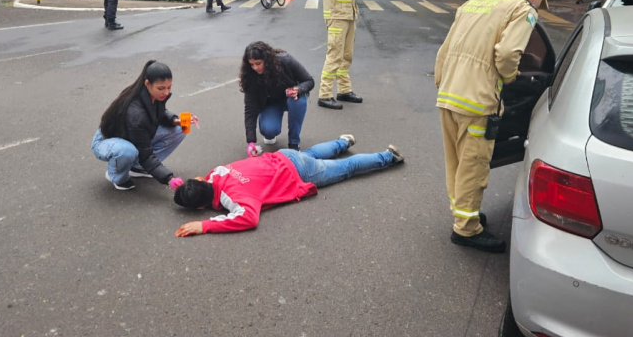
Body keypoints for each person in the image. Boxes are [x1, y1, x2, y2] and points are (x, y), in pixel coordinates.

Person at [435, 0, 548, 253]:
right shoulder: (524, 10)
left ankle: (463, 213)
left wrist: (443, 83)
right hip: (477, 100)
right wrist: (510, 77)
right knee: (473, 165)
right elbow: (508, 54)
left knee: (456, 161)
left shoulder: (475, 3)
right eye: (540, 1)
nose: (538, 6)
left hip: (448, 93)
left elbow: (444, 51)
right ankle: (467, 229)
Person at [172, 134, 404, 235]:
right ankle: (343, 141)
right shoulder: (217, 172)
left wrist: (205, 226)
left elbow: (247, 218)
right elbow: (205, 180)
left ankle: (388, 157)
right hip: (284, 156)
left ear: (202, 207)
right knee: (312, 153)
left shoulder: (233, 199)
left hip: (297, 172)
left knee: (346, 169)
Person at [92, 60, 193, 190]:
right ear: (147, 83)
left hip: (130, 135)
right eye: (161, 88)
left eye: (169, 87)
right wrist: (169, 178)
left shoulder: (153, 95)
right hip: (107, 140)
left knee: (179, 128)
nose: (166, 92)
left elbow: (160, 112)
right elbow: (145, 155)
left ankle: (137, 168)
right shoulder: (136, 114)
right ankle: (115, 175)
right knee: (127, 151)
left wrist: (175, 120)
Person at [317, 0, 369, 110]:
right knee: (334, 55)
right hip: (336, 16)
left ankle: (344, 90)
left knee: (346, 55)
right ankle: (324, 94)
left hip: (349, 15)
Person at [241, 41, 314, 152]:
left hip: (292, 98)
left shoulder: (286, 61)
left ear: (267, 60)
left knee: (297, 101)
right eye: (252, 64)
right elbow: (250, 109)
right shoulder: (250, 76)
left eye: (258, 63)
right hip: (271, 103)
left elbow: (309, 81)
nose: (255, 67)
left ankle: (294, 143)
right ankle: (269, 131)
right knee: (269, 130)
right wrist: (251, 142)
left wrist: (298, 90)